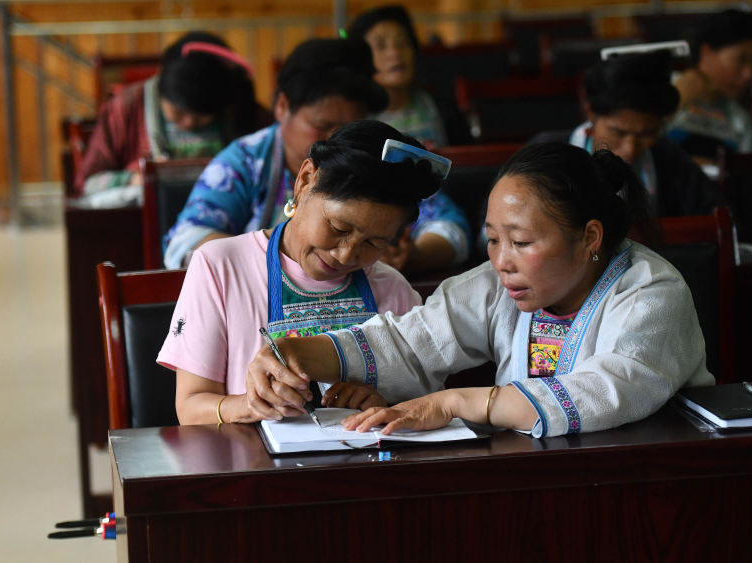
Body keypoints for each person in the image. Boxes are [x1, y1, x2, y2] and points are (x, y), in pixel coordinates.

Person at [244, 143, 714, 437]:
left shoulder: (652, 293)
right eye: (492, 239)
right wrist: (295, 353)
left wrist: (455, 402)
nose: (501, 260)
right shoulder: (498, 285)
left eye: (522, 242)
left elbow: (608, 390)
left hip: (653, 494)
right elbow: (412, 340)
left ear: (590, 237)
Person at [158, 120, 447, 425]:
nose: (346, 254)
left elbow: (427, 405)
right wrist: (251, 404)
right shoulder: (220, 267)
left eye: (374, 243)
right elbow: (190, 407)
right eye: (339, 228)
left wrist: (383, 403)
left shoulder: (392, 289)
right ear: (305, 180)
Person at [163, 37, 471, 274]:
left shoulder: (379, 155)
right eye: (322, 126)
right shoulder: (245, 162)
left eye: (349, 127)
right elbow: (187, 239)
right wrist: (283, 258)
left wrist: (414, 256)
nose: (336, 139)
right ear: (282, 107)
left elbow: (450, 227)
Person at [75, 31, 267, 201]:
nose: (189, 123)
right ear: (161, 92)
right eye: (179, 112)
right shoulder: (125, 107)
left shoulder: (239, 106)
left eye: (201, 117)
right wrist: (136, 180)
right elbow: (88, 183)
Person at [569, 51, 723, 217]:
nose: (631, 149)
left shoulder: (667, 157)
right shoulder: (557, 161)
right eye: (619, 132)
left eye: (647, 133)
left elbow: (717, 215)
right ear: (591, 113)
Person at [349, 4, 473, 148]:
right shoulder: (353, 120)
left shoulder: (443, 111)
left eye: (402, 43)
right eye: (381, 46)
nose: (395, 52)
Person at [667, 9, 752, 158]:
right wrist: (674, 102)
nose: (749, 74)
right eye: (740, 60)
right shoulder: (660, 90)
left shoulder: (740, 121)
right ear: (706, 52)